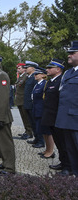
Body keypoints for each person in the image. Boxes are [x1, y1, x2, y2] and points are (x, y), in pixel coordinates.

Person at [41, 59, 71, 175]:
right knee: (58, 143)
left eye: (50, 68)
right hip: (50, 117)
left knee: (64, 143)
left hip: (58, 118)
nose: (47, 70)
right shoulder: (50, 82)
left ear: (58, 69)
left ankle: (68, 166)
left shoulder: (61, 81)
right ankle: (63, 163)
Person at [55, 41, 78, 176]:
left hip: (76, 119)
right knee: (70, 149)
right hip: (65, 118)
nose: (68, 55)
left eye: (72, 53)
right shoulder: (68, 73)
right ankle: (74, 174)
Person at [29, 68, 47, 148]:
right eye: (35, 74)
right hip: (35, 107)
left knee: (39, 126)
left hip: (40, 108)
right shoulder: (37, 84)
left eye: (37, 74)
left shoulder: (44, 84)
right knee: (35, 125)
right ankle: (37, 139)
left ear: (43, 75)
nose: (35, 75)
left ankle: (41, 141)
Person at [22, 61, 38, 141]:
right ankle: (36, 138)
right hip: (27, 103)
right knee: (31, 122)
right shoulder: (29, 77)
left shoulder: (34, 77)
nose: (25, 69)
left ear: (32, 68)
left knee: (35, 123)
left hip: (32, 104)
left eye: (27, 68)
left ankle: (39, 139)